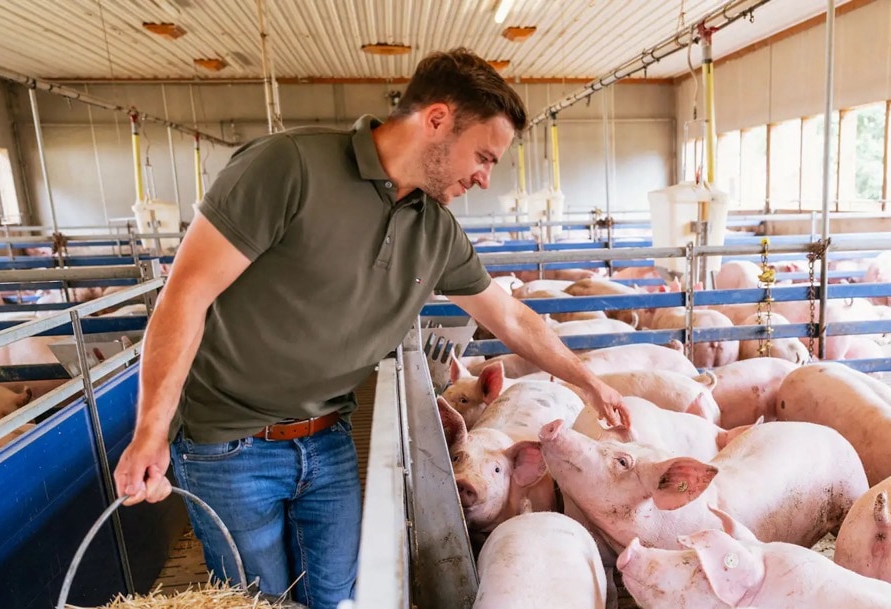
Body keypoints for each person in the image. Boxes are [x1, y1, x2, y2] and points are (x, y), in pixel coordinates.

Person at [112, 48, 628, 609]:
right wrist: (151, 430)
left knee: (334, 596)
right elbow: (186, 293)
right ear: (435, 120)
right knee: (255, 599)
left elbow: (509, 316)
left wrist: (587, 381)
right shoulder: (290, 167)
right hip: (228, 443)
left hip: (329, 438)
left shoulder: (436, 230)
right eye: (482, 156)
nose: (483, 177)